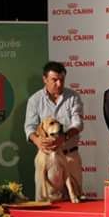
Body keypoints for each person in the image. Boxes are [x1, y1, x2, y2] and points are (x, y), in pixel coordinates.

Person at [24, 61, 84, 199]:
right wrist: (37, 141)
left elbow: (78, 123)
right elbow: (29, 127)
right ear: (44, 79)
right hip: (45, 157)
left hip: (70, 157)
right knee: (44, 201)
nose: (59, 84)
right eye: (54, 80)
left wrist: (64, 137)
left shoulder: (73, 97)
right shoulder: (35, 100)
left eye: (62, 80)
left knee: (74, 200)